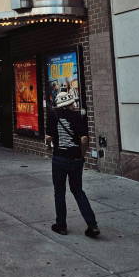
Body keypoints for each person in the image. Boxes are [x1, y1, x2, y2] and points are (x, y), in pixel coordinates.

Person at [45, 92, 100, 238]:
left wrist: (49, 146)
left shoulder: (52, 115)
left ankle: (61, 226)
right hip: (75, 158)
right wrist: (83, 153)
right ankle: (92, 225)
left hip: (59, 158)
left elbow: (48, 137)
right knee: (78, 190)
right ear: (71, 103)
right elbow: (84, 139)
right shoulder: (78, 116)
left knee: (59, 191)